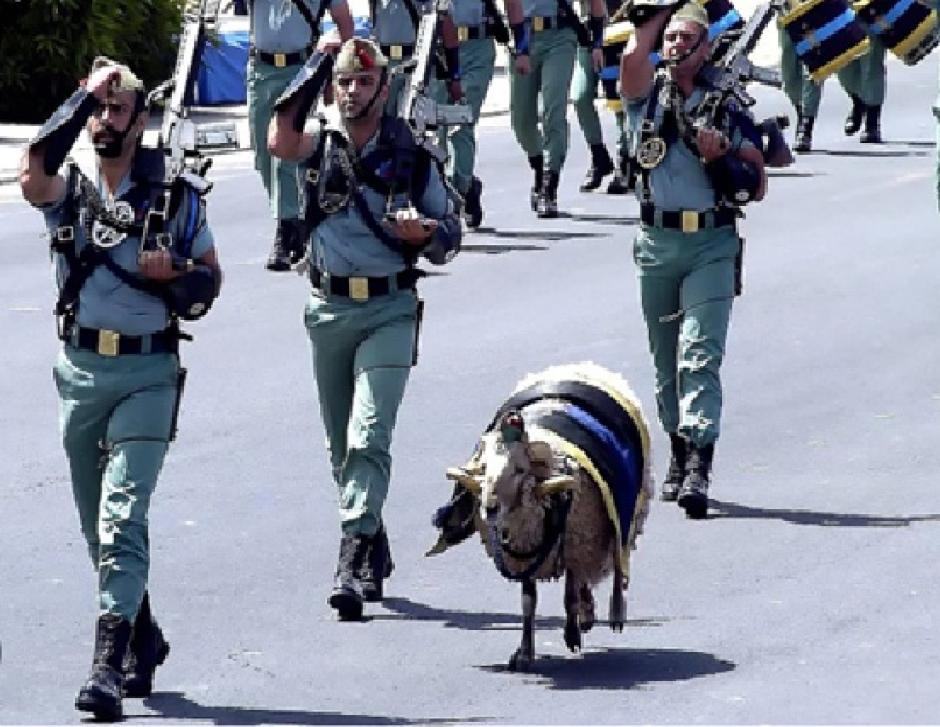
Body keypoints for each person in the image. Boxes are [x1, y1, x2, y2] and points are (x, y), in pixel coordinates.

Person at [19, 58, 222, 720]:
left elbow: (209, 282)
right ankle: (142, 630)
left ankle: (107, 660)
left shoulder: (173, 196)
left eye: (118, 108)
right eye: (99, 111)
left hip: (147, 372)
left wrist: (177, 274)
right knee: (93, 526)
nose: (107, 121)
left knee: (121, 513)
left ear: (142, 119)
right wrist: (81, 94)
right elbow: (32, 170)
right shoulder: (69, 190)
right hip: (80, 372)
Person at [268, 38, 461, 620]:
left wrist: (422, 234)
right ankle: (373, 538)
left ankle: (351, 557)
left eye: (362, 81)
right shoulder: (318, 145)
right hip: (328, 309)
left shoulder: (411, 155)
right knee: (339, 447)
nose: (351, 92)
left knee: (367, 436)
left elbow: (451, 233)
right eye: (344, 82)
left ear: (385, 87)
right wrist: (315, 64)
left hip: (389, 309)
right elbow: (280, 136)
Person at [620, 2, 767, 519]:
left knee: (697, 355)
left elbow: (756, 182)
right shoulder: (646, 94)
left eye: (690, 39)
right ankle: (679, 450)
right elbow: (635, 55)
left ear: (707, 49)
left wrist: (719, 158)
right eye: (672, 38)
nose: (677, 46)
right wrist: (660, 17)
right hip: (657, 245)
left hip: (710, 244)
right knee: (666, 368)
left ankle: (700, 461)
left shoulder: (725, 101)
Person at [248, 0, 354, 271]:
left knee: (286, 153)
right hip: (261, 69)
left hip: (303, 67)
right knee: (263, 152)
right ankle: (294, 217)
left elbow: (343, 20)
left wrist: (341, 73)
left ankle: (288, 228)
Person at [505, 0, 607, 217]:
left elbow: (596, 4)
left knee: (554, 110)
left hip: (559, 36)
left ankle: (549, 185)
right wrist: (520, 46)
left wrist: (597, 44)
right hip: (522, 37)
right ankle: (539, 165)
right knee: (521, 120)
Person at [570, 0, 628, 193]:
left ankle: (624, 162)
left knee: (622, 101)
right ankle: (599, 155)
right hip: (590, 33)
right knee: (580, 96)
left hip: (623, 31)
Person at [778, 25, 823, 153]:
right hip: (787, 16)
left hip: (814, 16)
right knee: (789, 77)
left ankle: (806, 125)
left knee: (811, 70)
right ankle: (801, 111)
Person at [837, 35, 887, 143]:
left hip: (872, 23)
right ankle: (859, 104)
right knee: (844, 72)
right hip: (843, 22)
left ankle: (872, 123)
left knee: (871, 70)